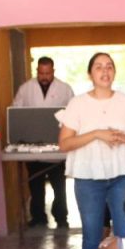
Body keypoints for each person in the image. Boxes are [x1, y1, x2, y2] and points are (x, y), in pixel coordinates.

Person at [56, 52, 125, 249]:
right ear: (90, 74)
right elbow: (64, 143)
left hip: (122, 175)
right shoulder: (77, 103)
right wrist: (97, 134)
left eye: (109, 66)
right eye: (98, 67)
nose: (104, 71)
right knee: (91, 234)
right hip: (88, 177)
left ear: (114, 72)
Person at [12, 56, 74, 229]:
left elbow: (73, 114)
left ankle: (61, 217)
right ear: (37, 71)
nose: (44, 76)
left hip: (57, 145)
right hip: (33, 145)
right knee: (35, 185)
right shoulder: (25, 89)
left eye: (47, 73)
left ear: (53, 71)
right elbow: (16, 113)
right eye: (41, 73)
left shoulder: (65, 89)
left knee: (59, 185)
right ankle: (38, 217)